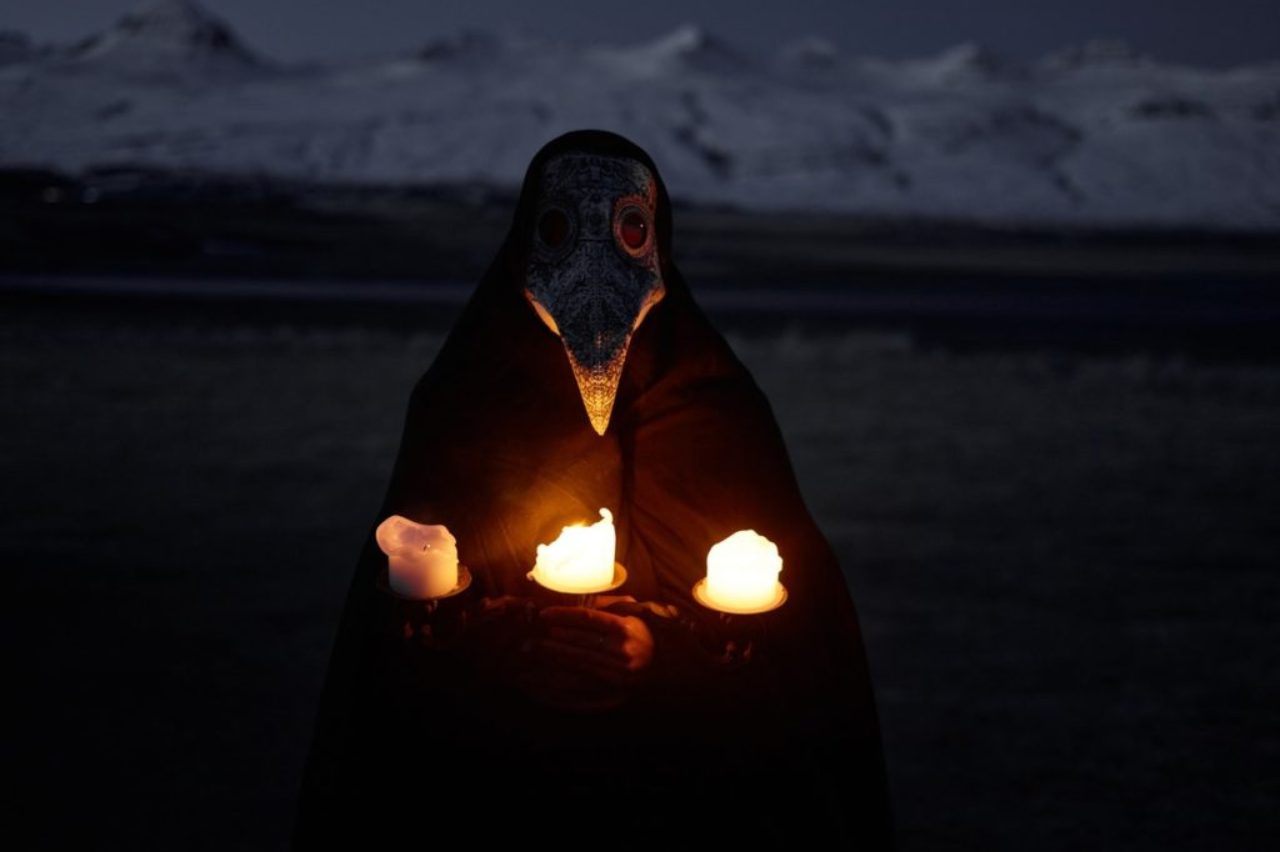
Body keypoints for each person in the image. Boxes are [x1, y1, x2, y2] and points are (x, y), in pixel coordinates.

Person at [294, 129, 893, 848]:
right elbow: (401, 624)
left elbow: (798, 645)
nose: (594, 266)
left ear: (657, 240)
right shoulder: (465, 402)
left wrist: (661, 648)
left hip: (691, 800)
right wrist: (509, 643)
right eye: (558, 229)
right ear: (525, 241)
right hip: (488, 793)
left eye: (629, 229)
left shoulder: (717, 407)